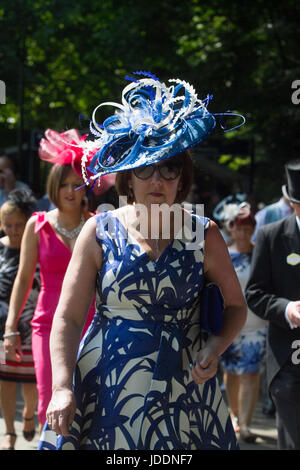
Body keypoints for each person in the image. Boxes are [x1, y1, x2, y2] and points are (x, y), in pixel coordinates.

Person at [38, 73, 247, 450]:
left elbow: (236, 306)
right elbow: (68, 318)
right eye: (145, 168)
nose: (157, 179)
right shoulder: (99, 230)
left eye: (169, 168)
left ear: (181, 178)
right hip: (106, 386)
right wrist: (61, 387)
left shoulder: (206, 233)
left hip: (186, 387)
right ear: (127, 178)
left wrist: (215, 347)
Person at [3, 129, 104, 432]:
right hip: (46, 323)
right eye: (63, 186)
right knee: (51, 400)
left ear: (87, 186)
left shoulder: (99, 223)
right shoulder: (38, 224)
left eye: (76, 185)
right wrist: (10, 327)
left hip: (92, 322)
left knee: (90, 402)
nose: (70, 192)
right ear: (53, 188)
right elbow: (22, 279)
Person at [245, 159, 300, 450]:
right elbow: (254, 292)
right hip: (289, 365)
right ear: (292, 203)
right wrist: (287, 309)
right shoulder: (272, 236)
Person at [220, 202, 267, 443]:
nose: (244, 233)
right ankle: (234, 415)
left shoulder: (262, 254)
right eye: (239, 228)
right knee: (232, 373)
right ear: (231, 229)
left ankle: (246, 425)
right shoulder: (224, 255)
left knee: (251, 374)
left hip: (257, 324)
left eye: (248, 229)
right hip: (230, 323)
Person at [0, 188, 40, 450]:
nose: (14, 230)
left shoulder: (37, 242)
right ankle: (9, 432)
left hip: (33, 322)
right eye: (8, 225)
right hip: (4, 325)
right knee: (5, 378)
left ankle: (28, 414)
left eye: (19, 224)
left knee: (30, 381)